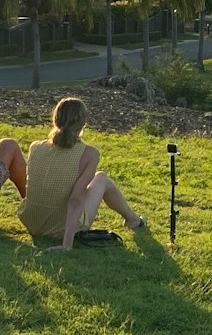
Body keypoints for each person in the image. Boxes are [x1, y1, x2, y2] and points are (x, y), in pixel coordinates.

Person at [17, 96, 148, 249]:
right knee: (102, 178)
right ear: (83, 123)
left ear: (55, 119)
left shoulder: (35, 147)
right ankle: (133, 220)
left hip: (31, 222)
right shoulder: (89, 154)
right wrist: (67, 244)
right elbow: (75, 200)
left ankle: (133, 219)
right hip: (59, 229)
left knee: (87, 183)